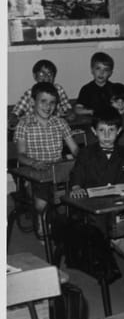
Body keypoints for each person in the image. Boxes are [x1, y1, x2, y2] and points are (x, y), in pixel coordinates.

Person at [69, 107, 124, 284]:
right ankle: (117, 263)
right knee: (105, 231)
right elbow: (77, 174)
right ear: (94, 131)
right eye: (102, 130)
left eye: (111, 130)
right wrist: (76, 187)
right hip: (94, 207)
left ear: (119, 131)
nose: (107, 135)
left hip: (122, 205)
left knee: (116, 233)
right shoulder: (86, 153)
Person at [14, 82, 80, 237]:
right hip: (35, 174)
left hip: (59, 172)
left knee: (74, 195)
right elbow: (21, 155)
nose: (48, 106)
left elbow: (75, 149)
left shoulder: (60, 122)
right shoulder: (24, 124)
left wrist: (82, 159)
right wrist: (33, 163)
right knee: (42, 203)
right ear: (32, 102)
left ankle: (68, 227)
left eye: (52, 102)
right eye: (43, 101)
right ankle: (42, 223)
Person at [11, 59, 73, 124]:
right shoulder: (29, 93)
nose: (46, 77)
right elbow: (17, 111)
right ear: (35, 76)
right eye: (41, 74)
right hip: (34, 125)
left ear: (54, 76)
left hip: (54, 125)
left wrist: (70, 113)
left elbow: (66, 106)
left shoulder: (59, 89)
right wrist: (13, 119)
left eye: (49, 74)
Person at [75, 52, 119, 116]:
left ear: (110, 73)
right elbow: (77, 109)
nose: (101, 73)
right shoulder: (86, 89)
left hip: (111, 119)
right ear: (92, 70)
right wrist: (92, 111)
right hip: (93, 119)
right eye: (98, 68)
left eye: (106, 70)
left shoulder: (114, 88)